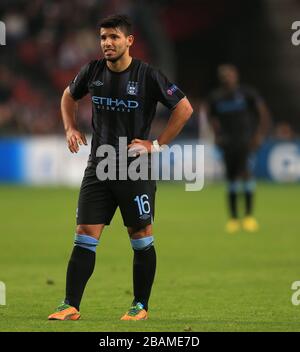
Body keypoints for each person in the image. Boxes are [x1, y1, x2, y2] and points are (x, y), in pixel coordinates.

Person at [48, 14, 193, 321]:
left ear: (129, 41)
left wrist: (156, 145)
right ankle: (70, 305)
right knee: (84, 233)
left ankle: (140, 306)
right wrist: (70, 128)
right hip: (99, 166)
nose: (107, 43)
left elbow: (184, 107)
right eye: (103, 38)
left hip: (134, 168)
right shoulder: (92, 71)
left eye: (113, 37)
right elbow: (67, 96)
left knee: (140, 235)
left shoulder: (148, 75)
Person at [207, 64, 270, 234]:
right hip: (227, 143)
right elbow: (211, 118)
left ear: (236, 76)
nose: (226, 78)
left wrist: (258, 135)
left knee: (246, 175)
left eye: (229, 75)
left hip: (246, 142)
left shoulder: (247, 94)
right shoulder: (216, 97)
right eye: (223, 75)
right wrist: (216, 136)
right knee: (231, 178)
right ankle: (234, 219)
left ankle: (249, 217)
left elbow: (262, 113)